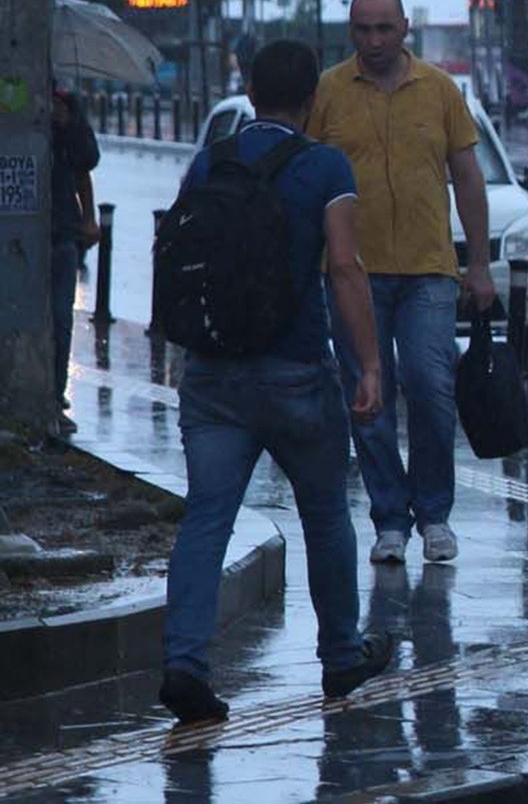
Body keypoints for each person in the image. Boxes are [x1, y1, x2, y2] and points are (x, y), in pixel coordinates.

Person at [158, 39, 393, 724]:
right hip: (295, 372)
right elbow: (345, 269)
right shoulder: (325, 167)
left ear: (251, 92)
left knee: (206, 518)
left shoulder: (209, 162)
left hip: (212, 376)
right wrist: (370, 363)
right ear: (313, 100)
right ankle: (341, 656)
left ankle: (185, 663)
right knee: (324, 514)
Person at [310, 0, 496, 567]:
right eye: (363, 30)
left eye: (384, 29)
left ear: (405, 28)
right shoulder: (329, 92)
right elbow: (308, 177)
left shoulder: (439, 91)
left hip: (428, 270)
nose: (374, 41)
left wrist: (481, 264)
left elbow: (467, 178)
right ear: (350, 31)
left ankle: (435, 514)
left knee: (432, 385)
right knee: (368, 398)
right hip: (352, 272)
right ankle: (390, 519)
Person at [48, 87, 99, 438]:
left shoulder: (66, 114)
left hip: (61, 234)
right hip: (23, 238)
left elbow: (85, 168)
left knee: (61, 320)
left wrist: (89, 218)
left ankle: (53, 398)